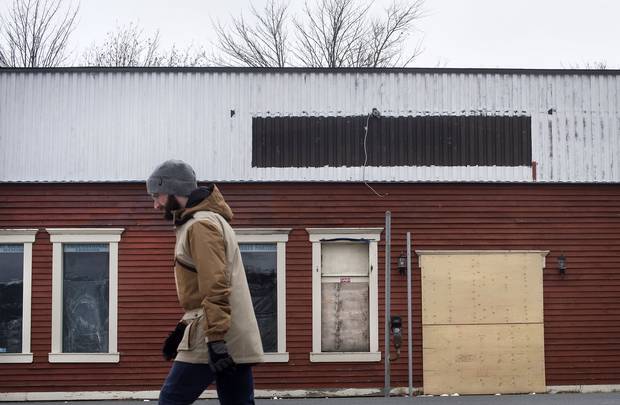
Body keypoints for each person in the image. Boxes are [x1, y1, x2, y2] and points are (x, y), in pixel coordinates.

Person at [146, 159, 264, 405]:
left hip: (214, 334)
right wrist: (182, 328)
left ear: (173, 191)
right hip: (230, 331)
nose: (155, 205)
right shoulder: (208, 221)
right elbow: (206, 285)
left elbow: (215, 285)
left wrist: (217, 340)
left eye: (156, 195)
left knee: (171, 400)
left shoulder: (201, 225)